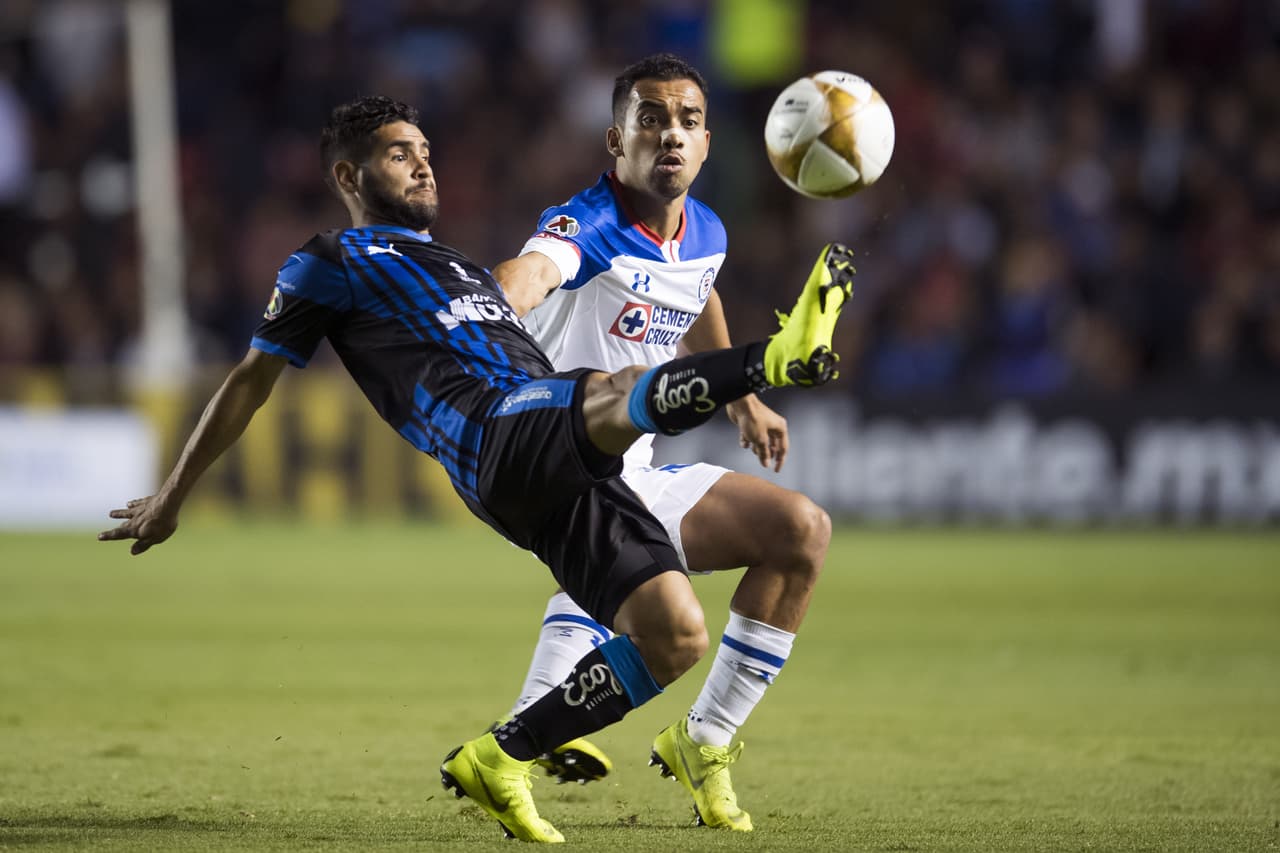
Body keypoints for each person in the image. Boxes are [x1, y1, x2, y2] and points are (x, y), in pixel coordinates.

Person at [98, 94, 856, 844]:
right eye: (401, 154)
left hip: (559, 458)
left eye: (426, 151)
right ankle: (775, 357)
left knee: (675, 633)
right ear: (348, 176)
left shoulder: (452, 261)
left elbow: (681, 287)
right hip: (493, 427)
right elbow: (249, 382)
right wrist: (172, 495)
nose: (424, 163)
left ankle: (503, 755)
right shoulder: (329, 262)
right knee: (617, 389)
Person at [491, 54, 831, 834]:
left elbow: (698, 285)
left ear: (707, 142)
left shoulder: (705, 230)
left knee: (800, 531)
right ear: (617, 140)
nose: (669, 134)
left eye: (685, 120)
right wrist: (494, 299)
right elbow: (537, 268)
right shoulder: (592, 223)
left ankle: (701, 739)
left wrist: (741, 399)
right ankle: (529, 731)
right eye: (651, 119)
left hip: (620, 467)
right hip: (544, 449)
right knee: (638, 572)